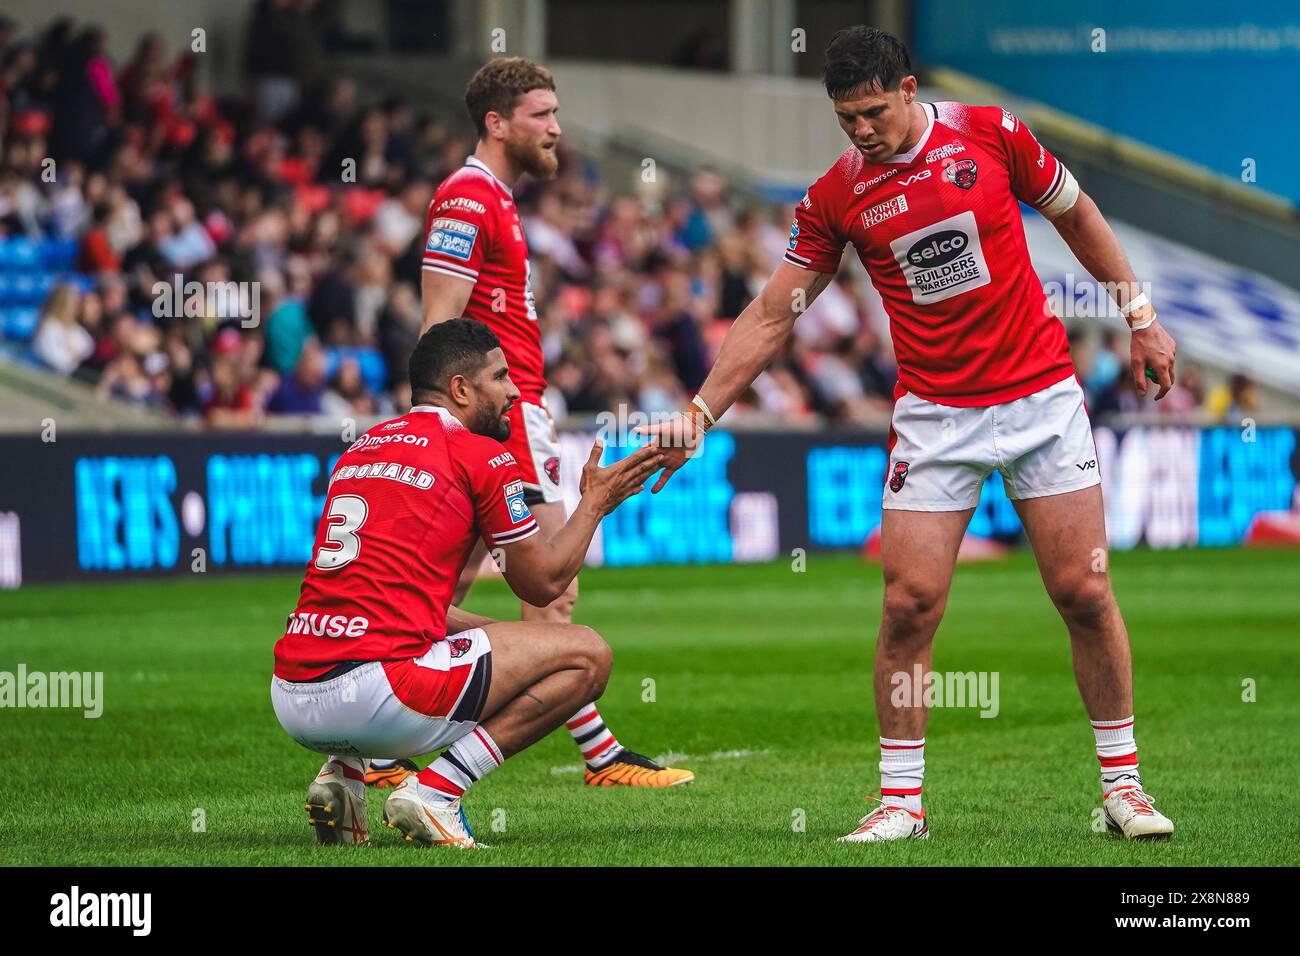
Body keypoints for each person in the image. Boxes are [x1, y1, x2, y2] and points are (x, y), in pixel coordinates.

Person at [638, 27, 1178, 842]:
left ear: (909, 88)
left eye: (872, 111)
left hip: (1040, 399)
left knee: (1084, 591)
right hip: (934, 418)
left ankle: (1123, 787)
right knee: (908, 606)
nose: (860, 129)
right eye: (845, 117)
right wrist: (701, 410)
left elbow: (1078, 215)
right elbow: (773, 312)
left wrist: (1141, 319)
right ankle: (901, 803)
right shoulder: (836, 196)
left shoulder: (990, 134)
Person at [393, 56, 693, 789]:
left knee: (444, 591)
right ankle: (594, 757)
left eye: (556, 113)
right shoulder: (468, 198)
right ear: (498, 124)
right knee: (548, 589)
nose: (557, 129)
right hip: (501, 415)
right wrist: (451, 434)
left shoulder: (494, 198)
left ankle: (362, 755)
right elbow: (440, 327)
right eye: (542, 115)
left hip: (512, 411)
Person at [270, 319, 664, 848]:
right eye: (500, 377)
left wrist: (514, 644)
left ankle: (341, 775)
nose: (513, 391)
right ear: (461, 388)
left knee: (492, 642)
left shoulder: (362, 447)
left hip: (294, 694)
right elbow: (543, 584)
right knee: (585, 654)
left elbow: (393, 599)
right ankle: (436, 791)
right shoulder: (478, 454)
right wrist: (595, 502)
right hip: (378, 694)